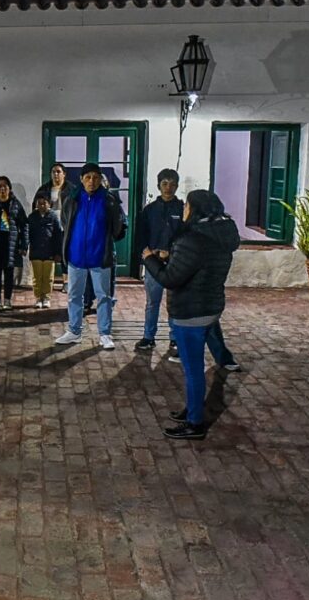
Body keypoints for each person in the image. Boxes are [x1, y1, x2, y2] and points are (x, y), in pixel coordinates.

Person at [142, 190, 240, 440]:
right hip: (210, 306)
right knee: (195, 368)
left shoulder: (193, 239)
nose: (184, 210)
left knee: (193, 369)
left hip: (190, 312)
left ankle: (195, 423)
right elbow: (195, 268)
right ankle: (192, 409)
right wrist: (171, 258)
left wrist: (150, 259)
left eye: (186, 205)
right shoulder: (220, 233)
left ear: (195, 209)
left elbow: (170, 279)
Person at [55, 163, 125, 350]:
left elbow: (119, 225)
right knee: (74, 295)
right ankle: (74, 331)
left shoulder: (109, 199)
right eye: (88, 177)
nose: (92, 181)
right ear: (81, 179)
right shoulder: (72, 198)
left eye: (95, 177)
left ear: (100, 179)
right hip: (76, 256)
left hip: (100, 256)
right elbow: (65, 221)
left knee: (104, 297)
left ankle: (104, 334)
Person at [135, 168, 183, 353]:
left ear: (177, 186)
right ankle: (149, 337)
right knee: (152, 302)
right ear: (158, 185)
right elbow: (141, 235)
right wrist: (147, 252)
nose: (168, 187)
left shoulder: (182, 209)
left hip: (175, 263)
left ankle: (175, 338)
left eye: (172, 184)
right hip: (153, 262)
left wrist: (172, 252)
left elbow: (186, 236)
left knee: (174, 302)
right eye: (164, 183)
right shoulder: (150, 210)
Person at [0, 176, 28, 311]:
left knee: (9, 272)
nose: (2, 189)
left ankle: (7, 299)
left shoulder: (15, 204)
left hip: (11, 243)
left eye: (5, 187)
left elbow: (24, 225)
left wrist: (24, 244)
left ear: (9, 189)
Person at [34, 163, 80, 295]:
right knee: (50, 253)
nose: (56, 174)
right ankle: (48, 281)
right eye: (53, 172)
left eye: (59, 172)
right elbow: (36, 206)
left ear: (64, 174)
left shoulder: (72, 189)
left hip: (66, 226)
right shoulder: (44, 189)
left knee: (66, 254)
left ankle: (66, 282)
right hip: (49, 227)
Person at [27, 195, 62, 308]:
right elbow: (27, 233)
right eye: (39, 203)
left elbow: (57, 235)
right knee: (37, 277)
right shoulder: (32, 217)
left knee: (48, 277)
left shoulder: (53, 217)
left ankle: (46, 297)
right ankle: (38, 297)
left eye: (44, 203)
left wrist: (58, 252)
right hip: (36, 252)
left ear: (49, 204)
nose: (42, 205)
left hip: (49, 252)